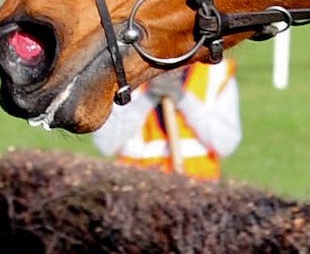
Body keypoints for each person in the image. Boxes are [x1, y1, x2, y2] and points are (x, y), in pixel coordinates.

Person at [92, 57, 242, 179]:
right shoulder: (124, 74)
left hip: (198, 188)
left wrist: (184, 100)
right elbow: (107, 144)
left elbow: (225, 144)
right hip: (139, 189)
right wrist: (148, 98)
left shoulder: (217, 72)